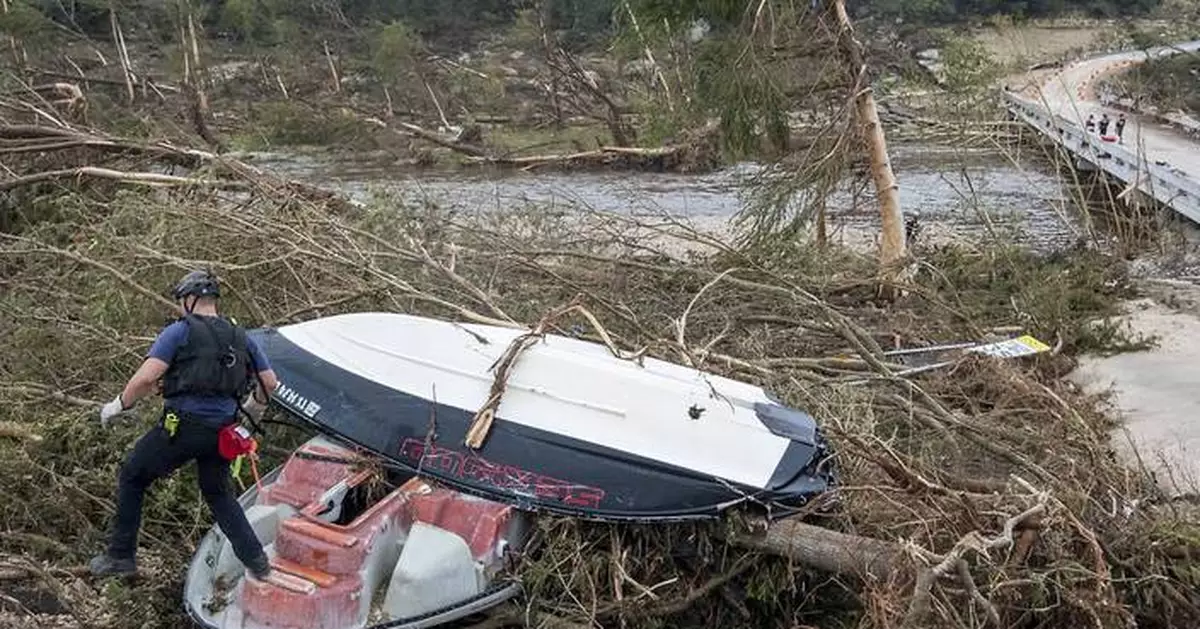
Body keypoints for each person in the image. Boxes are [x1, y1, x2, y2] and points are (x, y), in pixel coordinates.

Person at [89, 270, 276, 579]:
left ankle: (121, 556)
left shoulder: (179, 331)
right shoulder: (241, 336)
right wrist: (251, 411)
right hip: (224, 432)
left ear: (189, 300)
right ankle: (257, 561)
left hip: (183, 427)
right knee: (218, 494)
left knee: (133, 475)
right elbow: (270, 382)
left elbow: (147, 378)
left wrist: (118, 404)